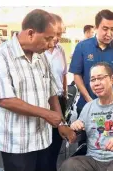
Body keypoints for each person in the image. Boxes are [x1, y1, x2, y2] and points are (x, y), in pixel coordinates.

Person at [0, 9, 76, 171]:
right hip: (18, 143)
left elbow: (52, 92)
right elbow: (5, 100)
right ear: (31, 33)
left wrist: (61, 123)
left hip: (43, 139)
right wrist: (46, 114)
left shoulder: (42, 57)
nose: (50, 44)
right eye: (47, 39)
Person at [69, 9, 113, 117]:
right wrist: (90, 100)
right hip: (86, 106)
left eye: (112, 29)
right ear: (96, 28)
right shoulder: (82, 47)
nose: (109, 33)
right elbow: (77, 76)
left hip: (112, 109)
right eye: (105, 29)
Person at [44, 13, 69, 171]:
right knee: (44, 146)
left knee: (56, 142)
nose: (58, 38)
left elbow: (64, 74)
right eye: (56, 33)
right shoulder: (38, 52)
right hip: (43, 103)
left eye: (60, 34)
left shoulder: (60, 51)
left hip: (59, 100)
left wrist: (65, 94)